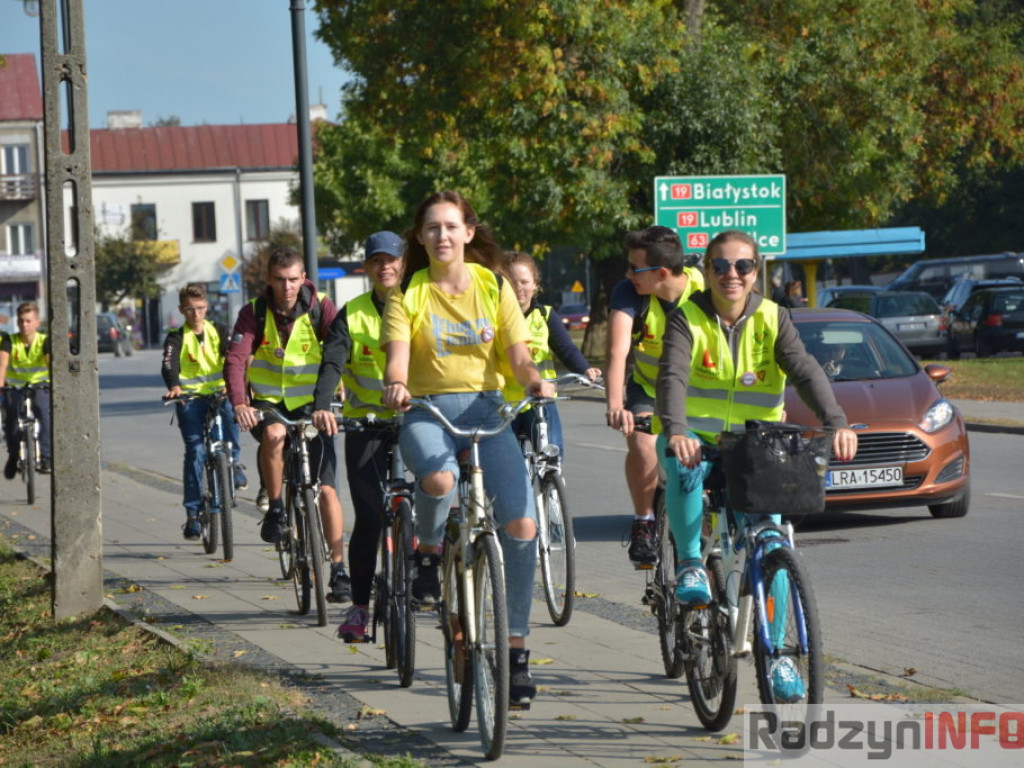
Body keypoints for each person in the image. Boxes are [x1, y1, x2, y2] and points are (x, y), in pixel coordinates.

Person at [655, 230, 858, 701]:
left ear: (756, 272)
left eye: (743, 266)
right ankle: (688, 562)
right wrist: (678, 429)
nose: (732, 274)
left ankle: (782, 658)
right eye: (722, 265)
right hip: (700, 440)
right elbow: (673, 375)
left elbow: (805, 370)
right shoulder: (687, 318)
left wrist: (837, 422)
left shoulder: (773, 317)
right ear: (705, 270)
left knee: (773, 540)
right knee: (681, 467)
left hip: (755, 443)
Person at [381, 190, 555, 708]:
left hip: (487, 410)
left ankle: (516, 653)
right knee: (438, 480)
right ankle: (429, 554)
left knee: (522, 526)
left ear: (468, 233)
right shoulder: (407, 294)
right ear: (420, 237)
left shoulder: (492, 284)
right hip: (426, 410)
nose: (442, 236)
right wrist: (396, 385)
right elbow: (397, 359)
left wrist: (533, 381)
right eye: (432, 228)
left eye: (451, 227)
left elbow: (518, 354)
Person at [224, 247, 352, 604]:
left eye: (294, 279)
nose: (287, 287)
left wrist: (333, 397)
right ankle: (278, 508)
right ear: (269, 279)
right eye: (280, 280)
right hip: (268, 402)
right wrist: (239, 402)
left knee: (327, 490)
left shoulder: (321, 307)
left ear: (303, 278)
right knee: (274, 434)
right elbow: (236, 359)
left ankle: (339, 571)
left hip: (314, 405)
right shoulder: (254, 312)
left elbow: (338, 350)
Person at [311, 231, 405, 643]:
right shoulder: (352, 314)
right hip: (365, 424)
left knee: (428, 501)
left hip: (414, 421)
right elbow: (333, 362)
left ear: (404, 264)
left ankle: (426, 575)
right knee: (369, 517)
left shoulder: (420, 305)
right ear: (366, 268)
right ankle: (360, 608)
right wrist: (321, 404)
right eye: (376, 261)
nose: (385, 267)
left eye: (392, 260)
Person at [604, 225, 704, 567]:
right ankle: (644, 521)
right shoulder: (629, 292)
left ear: (662, 273)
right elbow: (618, 351)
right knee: (643, 442)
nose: (628, 274)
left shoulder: (704, 287)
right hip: (648, 388)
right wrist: (616, 405)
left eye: (635, 268)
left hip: (699, 391)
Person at [161, 284, 248, 540]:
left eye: (200, 308)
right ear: (181, 310)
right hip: (190, 399)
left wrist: (235, 388)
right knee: (196, 451)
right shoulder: (176, 337)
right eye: (190, 309)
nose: (196, 314)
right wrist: (175, 387)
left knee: (233, 412)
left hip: (219, 394)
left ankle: (233, 463)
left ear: (206, 307)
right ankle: (193, 515)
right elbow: (169, 364)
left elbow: (233, 359)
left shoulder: (219, 331)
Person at [503, 250, 601, 454]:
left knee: (552, 453)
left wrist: (585, 369)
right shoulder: (495, 317)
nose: (519, 288)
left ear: (535, 285)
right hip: (504, 403)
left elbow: (567, 349)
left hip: (541, 399)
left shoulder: (545, 315)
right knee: (505, 463)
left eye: (524, 281)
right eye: (512, 282)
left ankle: (551, 483)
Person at [0, 302, 52, 478]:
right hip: (14, 387)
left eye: (28, 321)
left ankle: (46, 458)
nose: (24, 325)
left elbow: (50, 363)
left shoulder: (44, 341)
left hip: (40, 385)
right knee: (11, 422)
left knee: (44, 414)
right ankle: (13, 456)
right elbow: (3, 364)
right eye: (21, 321)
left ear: (37, 322)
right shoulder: (9, 340)